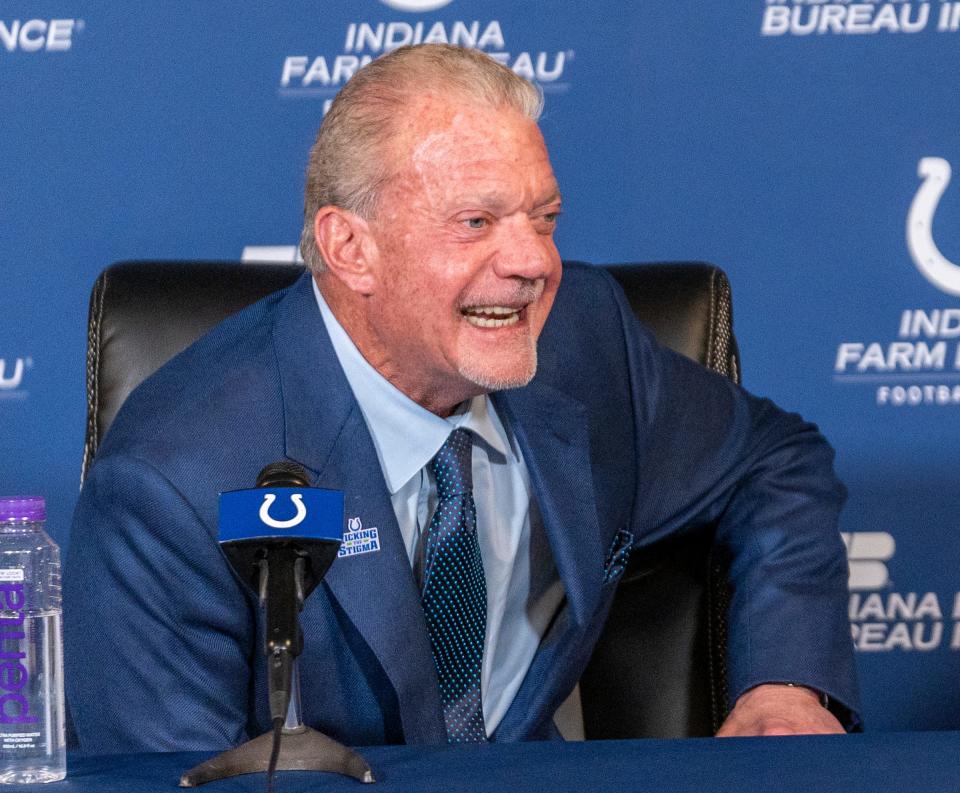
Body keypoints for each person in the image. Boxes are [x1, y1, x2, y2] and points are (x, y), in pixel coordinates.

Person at [64, 44, 859, 754]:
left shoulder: (584, 343)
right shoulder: (173, 483)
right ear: (351, 248)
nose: (532, 262)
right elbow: (165, 780)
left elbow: (774, 462)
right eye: (475, 222)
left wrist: (783, 683)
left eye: (543, 218)